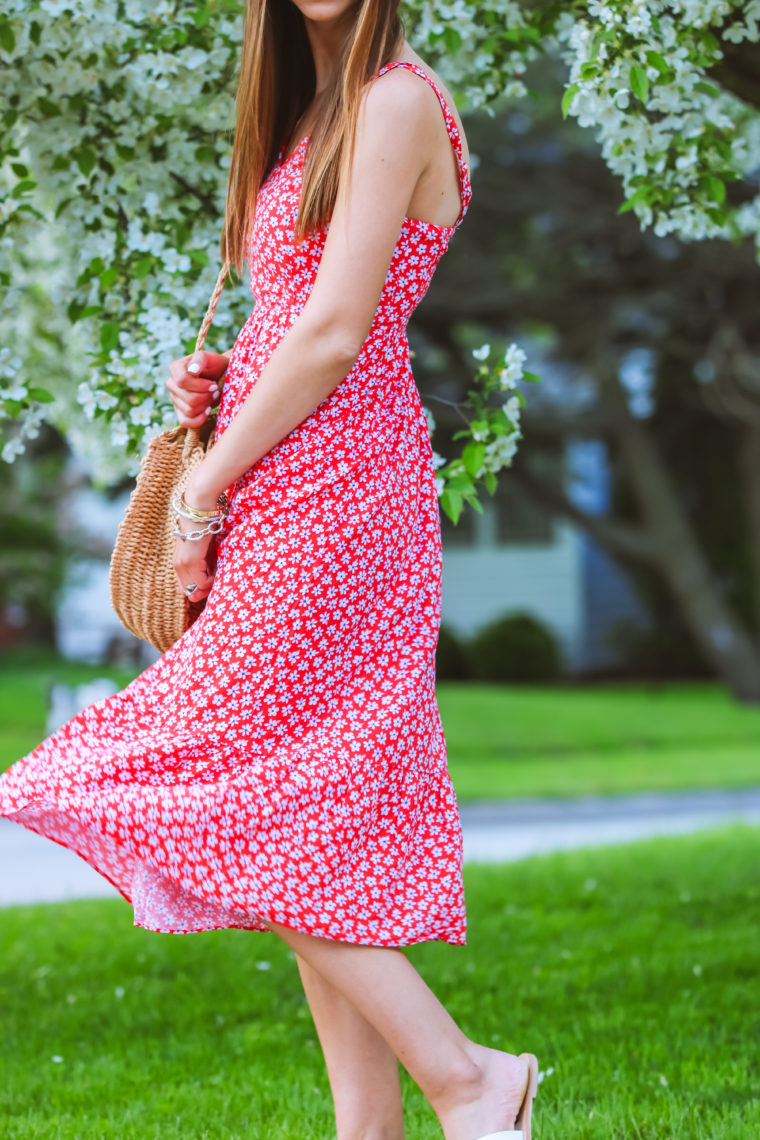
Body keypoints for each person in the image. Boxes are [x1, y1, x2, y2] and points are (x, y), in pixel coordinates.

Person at [0, 1, 539, 1137]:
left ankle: (467, 1078)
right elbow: (296, 319)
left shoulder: (394, 99)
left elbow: (341, 329)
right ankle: (372, 1126)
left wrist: (200, 491)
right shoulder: (309, 118)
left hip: (335, 487)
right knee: (307, 802)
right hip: (288, 473)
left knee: (206, 785)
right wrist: (225, 379)